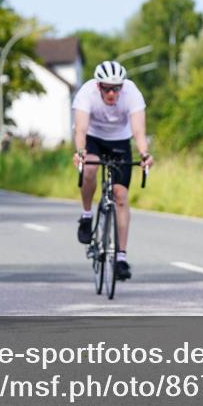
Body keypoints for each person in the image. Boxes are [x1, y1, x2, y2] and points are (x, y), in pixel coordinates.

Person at [71, 60, 154, 281]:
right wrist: (80, 152)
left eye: (116, 88)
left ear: (122, 87)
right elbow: (80, 129)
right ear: (98, 86)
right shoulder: (86, 93)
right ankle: (86, 215)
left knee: (121, 195)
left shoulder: (132, 93)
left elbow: (138, 130)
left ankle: (120, 258)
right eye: (106, 88)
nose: (111, 93)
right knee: (89, 168)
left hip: (120, 141)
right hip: (93, 138)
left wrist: (144, 154)